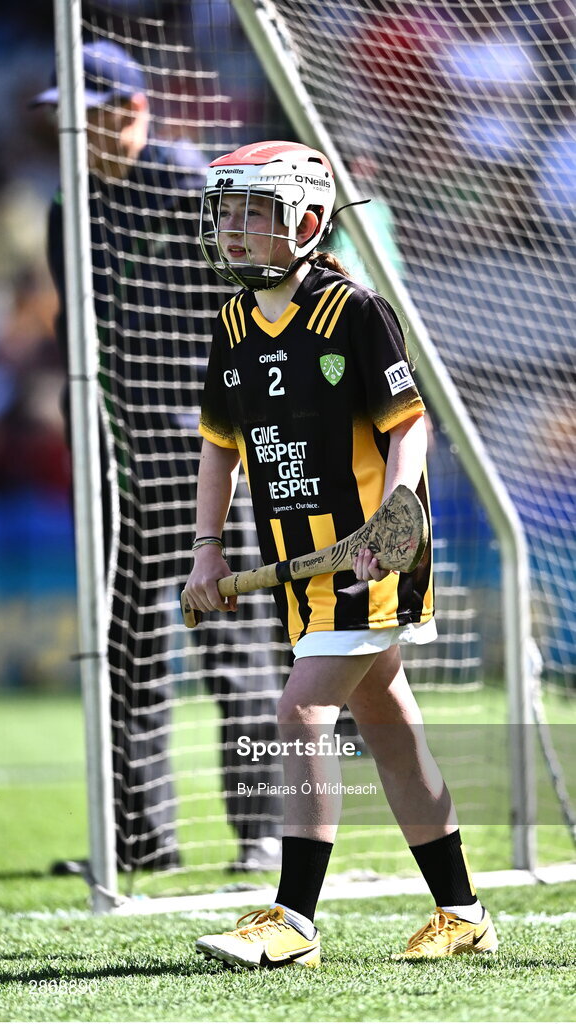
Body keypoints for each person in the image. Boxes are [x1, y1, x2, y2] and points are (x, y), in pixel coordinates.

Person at [183, 140, 499, 964]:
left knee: (299, 713)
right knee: (389, 726)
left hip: (368, 556)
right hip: (302, 565)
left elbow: (409, 425)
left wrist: (394, 520)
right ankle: (462, 912)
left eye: (254, 212)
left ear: (308, 222)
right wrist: (206, 551)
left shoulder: (352, 311)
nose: (234, 228)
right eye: (226, 211)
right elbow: (221, 448)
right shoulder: (232, 322)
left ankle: (293, 920)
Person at [31, 42, 286, 874]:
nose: (80, 131)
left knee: (233, 646)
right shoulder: (68, 209)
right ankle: (143, 840)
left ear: (136, 111)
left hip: (203, 455)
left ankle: (260, 835)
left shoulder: (196, 194)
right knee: (124, 650)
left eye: (97, 114)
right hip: (113, 460)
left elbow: (254, 316)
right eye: (67, 116)